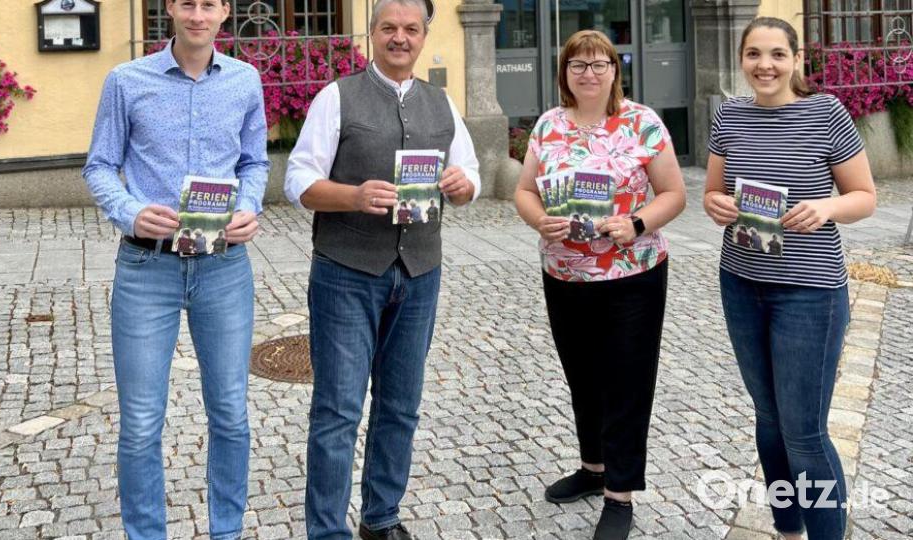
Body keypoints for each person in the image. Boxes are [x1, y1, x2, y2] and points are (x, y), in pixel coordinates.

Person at [283, 0, 480, 538]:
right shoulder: (336, 96)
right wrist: (351, 195)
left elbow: (470, 175)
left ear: (423, 36)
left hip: (419, 271)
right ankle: (327, 531)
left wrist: (465, 187)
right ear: (372, 34)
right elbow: (297, 181)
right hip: (347, 270)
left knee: (399, 405)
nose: (400, 37)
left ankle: (381, 518)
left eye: (410, 29)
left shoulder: (442, 102)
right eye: (389, 27)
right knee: (338, 411)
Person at [81, 0, 269, 538]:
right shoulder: (126, 80)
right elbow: (99, 165)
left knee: (230, 414)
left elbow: (254, 161)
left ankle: (226, 531)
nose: (197, 14)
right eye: (187, 2)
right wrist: (129, 211)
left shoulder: (245, 80)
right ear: (170, 7)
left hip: (224, 267)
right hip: (147, 268)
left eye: (209, 4)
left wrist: (250, 205)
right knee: (141, 423)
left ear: (225, 12)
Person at [702, 17, 875, 540]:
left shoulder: (826, 113)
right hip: (741, 283)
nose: (765, 65)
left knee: (804, 433)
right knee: (769, 419)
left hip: (811, 293)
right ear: (741, 59)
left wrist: (824, 207)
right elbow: (713, 192)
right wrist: (716, 206)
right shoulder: (729, 115)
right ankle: (788, 527)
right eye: (754, 54)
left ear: (796, 59)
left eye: (777, 54)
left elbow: (864, 197)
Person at [513, 29, 685, 540]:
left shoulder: (642, 123)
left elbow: (673, 194)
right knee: (581, 375)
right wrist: (538, 220)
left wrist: (634, 224)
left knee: (626, 381)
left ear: (615, 70)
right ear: (564, 73)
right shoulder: (547, 125)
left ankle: (620, 493)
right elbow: (525, 192)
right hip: (564, 274)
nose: (588, 73)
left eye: (599, 64)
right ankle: (593, 469)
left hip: (632, 275)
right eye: (577, 65)